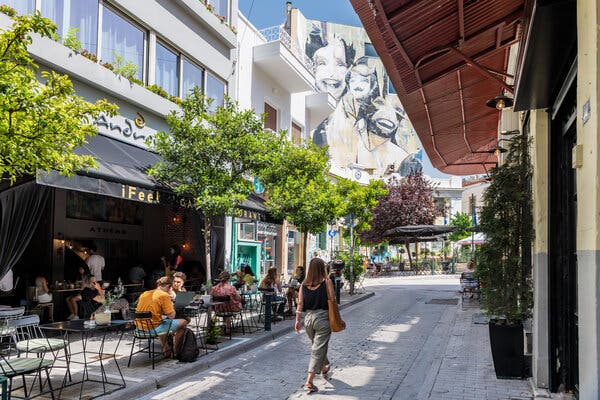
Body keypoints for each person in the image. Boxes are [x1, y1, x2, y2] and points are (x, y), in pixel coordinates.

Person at [295, 257, 336, 393]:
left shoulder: (303, 285)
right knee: (317, 349)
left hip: (308, 319)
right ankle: (309, 381)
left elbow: (300, 304)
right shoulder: (327, 282)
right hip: (323, 318)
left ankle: (324, 367)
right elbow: (332, 299)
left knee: (317, 346)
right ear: (322, 268)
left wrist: (297, 320)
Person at [135, 276, 188, 358]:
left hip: (139, 329)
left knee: (161, 321)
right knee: (184, 322)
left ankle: (166, 348)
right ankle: (175, 351)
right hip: (152, 329)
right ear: (168, 286)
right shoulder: (164, 295)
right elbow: (171, 316)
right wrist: (170, 303)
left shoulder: (144, 294)